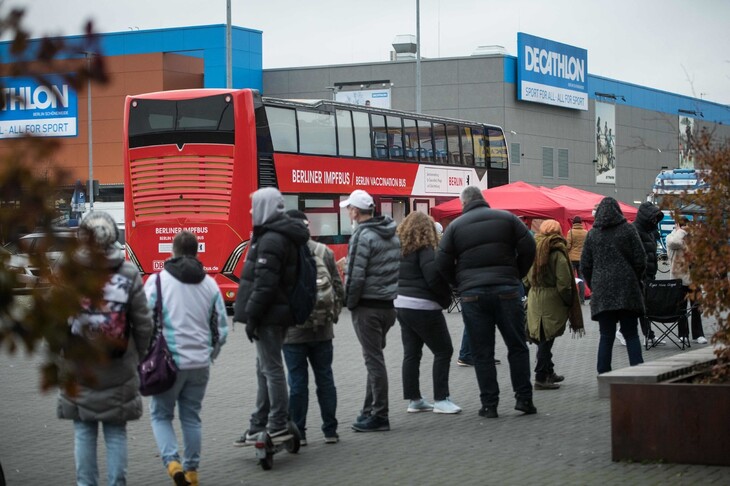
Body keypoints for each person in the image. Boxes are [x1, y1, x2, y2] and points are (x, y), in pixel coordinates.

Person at [58, 211, 153, 486]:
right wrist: (138, 356)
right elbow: (143, 323)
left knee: (84, 431)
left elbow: (56, 322)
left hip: (80, 366)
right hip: (119, 364)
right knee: (115, 432)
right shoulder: (128, 272)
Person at [436, 186, 536, 419]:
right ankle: (524, 399)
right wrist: (516, 274)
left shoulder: (455, 227)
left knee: (482, 352)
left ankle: (489, 405)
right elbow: (530, 247)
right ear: (483, 200)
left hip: (473, 296)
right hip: (507, 292)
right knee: (517, 346)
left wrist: (460, 284)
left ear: (464, 203)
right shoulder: (508, 218)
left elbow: (441, 260)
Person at [144, 231, 228, 486]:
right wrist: (209, 353)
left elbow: (144, 321)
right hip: (200, 363)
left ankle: (172, 463)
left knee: (160, 415)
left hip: (168, 363)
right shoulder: (210, 284)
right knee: (191, 417)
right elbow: (221, 329)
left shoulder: (158, 282)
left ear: (173, 250)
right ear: (197, 252)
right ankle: (192, 472)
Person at [233, 188, 310, 444]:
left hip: (268, 316)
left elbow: (264, 284)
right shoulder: (282, 235)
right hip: (280, 313)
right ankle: (259, 421)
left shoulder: (271, 240)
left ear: (265, 208)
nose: (251, 211)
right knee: (264, 369)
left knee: (271, 369)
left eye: (255, 206)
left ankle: (276, 422)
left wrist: (252, 316)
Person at [282, 210, 345, 446]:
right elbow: (339, 290)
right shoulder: (325, 252)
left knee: (297, 383)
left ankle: (299, 432)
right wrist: (332, 317)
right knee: (325, 379)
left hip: (292, 332)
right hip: (323, 330)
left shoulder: (283, 255)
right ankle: (330, 431)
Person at [341, 189, 400, 432]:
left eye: (348, 209)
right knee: (374, 359)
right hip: (387, 306)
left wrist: (349, 303)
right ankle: (368, 411)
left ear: (355, 211)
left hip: (368, 307)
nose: (348, 212)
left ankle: (379, 415)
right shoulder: (391, 234)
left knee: (374, 361)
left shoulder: (361, 237)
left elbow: (355, 275)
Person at [394, 212, 461, 414]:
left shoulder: (401, 249)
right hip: (423, 306)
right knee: (443, 350)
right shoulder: (426, 249)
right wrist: (445, 299)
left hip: (402, 304)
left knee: (411, 353)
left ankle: (414, 399)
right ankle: (441, 398)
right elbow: (433, 277)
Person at [581, 197, 646, 374]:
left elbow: (585, 265)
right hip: (627, 289)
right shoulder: (628, 230)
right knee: (631, 334)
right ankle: (638, 374)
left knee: (606, 336)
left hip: (602, 291)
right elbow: (641, 260)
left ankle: (604, 375)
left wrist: (594, 284)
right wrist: (634, 278)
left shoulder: (593, 234)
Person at [524, 219, 583, 390]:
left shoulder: (533, 249)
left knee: (543, 336)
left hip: (535, 296)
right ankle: (541, 377)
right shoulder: (557, 252)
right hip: (552, 299)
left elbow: (526, 278)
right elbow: (564, 282)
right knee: (546, 339)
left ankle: (549, 371)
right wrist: (568, 300)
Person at [666, 217, 707, 344]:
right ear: (677, 225)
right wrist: (680, 231)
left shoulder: (692, 239)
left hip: (693, 278)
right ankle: (682, 334)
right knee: (681, 309)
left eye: (686, 225)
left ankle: (698, 334)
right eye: (681, 225)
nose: (684, 228)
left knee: (696, 307)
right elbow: (675, 244)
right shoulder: (671, 237)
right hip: (679, 279)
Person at [631, 201, 665, 346]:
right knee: (642, 307)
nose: (654, 220)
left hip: (650, 273)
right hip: (639, 276)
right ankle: (648, 335)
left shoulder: (651, 231)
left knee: (646, 306)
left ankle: (648, 334)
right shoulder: (634, 230)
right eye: (653, 217)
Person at [566, 215, 588, 304]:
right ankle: (582, 299)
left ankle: (572, 298)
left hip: (572, 258)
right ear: (581, 223)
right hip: (582, 258)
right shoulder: (585, 232)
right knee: (581, 279)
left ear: (573, 223)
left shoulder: (570, 232)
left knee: (571, 278)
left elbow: (568, 246)